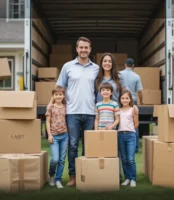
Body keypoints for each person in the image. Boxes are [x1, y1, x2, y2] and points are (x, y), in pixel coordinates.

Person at [56, 37, 99, 186]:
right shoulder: (67, 66)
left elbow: (102, 89)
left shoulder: (96, 68)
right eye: (81, 47)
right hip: (72, 112)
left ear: (90, 49)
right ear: (77, 49)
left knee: (87, 145)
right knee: (73, 145)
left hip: (90, 112)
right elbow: (59, 88)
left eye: (86, 47)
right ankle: (73, 175)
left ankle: (85, 173)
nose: (83, 50)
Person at [46, 86, 68, 189]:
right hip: (54, 136)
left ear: (63, 95)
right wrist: (49, 135)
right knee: (55, 159)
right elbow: (47, 121)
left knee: (62, 160)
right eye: (56, 94)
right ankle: (51, 175)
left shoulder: (65, 107)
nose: (58, 96)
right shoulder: (50, 107)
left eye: (60, 94)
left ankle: (58, 179)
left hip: (64, 136)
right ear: (53, 96)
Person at [119, 58, 143, 153]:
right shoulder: (136, 76)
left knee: (122, 122)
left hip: (121, 100)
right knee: (133, 123)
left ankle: (120, 145)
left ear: (125, 65)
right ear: (133, 66)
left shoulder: (119, 74)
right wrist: (141, 101)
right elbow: (139, 91)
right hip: (132, 101)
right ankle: (135, 147)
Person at [117, 90, 139, 187]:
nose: (125, 100)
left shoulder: (133, 109)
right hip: (120, 135)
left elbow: (136, 123)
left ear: (130, 99)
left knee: (130, 159)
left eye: (127, 98)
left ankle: (133, 179)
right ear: (120, 99)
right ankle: (127, 178)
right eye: (123, 98)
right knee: (124, 159)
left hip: (130, 135)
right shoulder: (118, 110)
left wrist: (131, 129)